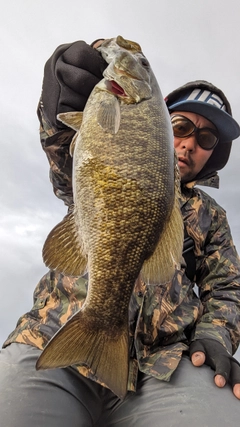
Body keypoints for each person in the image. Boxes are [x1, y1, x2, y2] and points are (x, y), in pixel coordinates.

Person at [1, 38, 240, 427]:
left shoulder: (211, 216)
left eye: (207, 139)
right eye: (181, 126)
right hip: (54, 335)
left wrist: (216, 336)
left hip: (164, 365)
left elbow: (228, 288)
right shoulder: (110, 132)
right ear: (161, 122)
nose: (190, 144)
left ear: (213, 153)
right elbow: (66, 161)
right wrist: (56, 103)